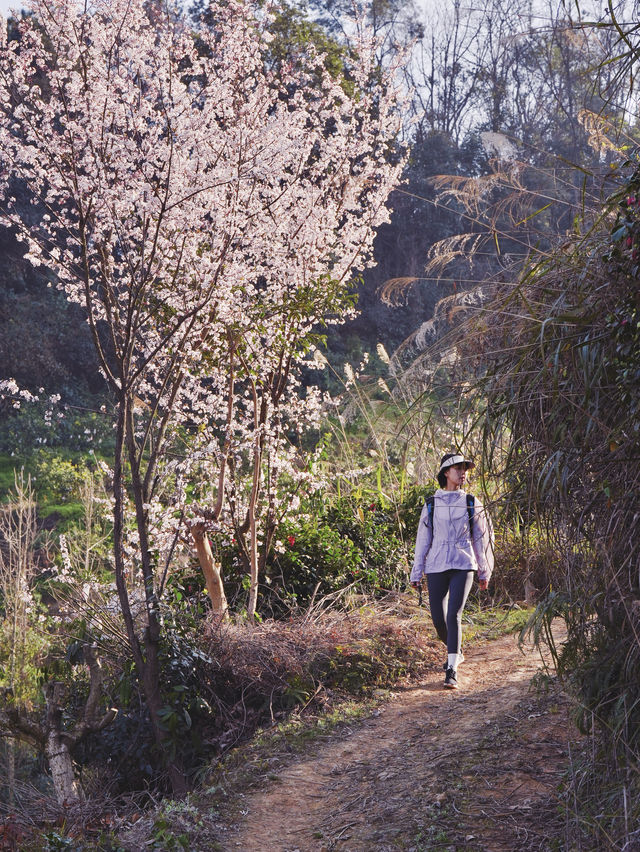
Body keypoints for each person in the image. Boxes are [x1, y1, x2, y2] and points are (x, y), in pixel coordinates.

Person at [411, 452, 494, 689]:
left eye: (465, 468)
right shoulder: (431, 504)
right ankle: (456, 650)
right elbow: (422, 540)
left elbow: (481, 538)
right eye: (458, 468)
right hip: (436, 565)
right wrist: (416, 572)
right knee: (438, 618)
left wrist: (484, 571)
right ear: (446, 473)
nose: (463, 472)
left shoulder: (471, 502)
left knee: (453, 615)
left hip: (464, 563)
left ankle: (451, 670)